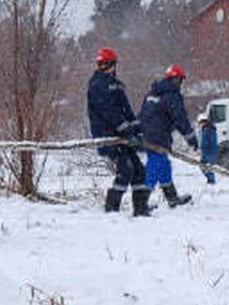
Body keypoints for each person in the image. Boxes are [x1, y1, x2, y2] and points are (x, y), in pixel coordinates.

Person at [86, 47, 151, 216]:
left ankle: (141, 208)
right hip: (108, 137)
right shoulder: (97, 85)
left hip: (123, 137)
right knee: (126, 169)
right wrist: (126, 131)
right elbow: (109, 112)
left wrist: (138, 131)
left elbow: (126, 110)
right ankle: (112, 209)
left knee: (139, 170)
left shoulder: (116, 85)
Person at [138, 64, 198, 207]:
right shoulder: (172, 96)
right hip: (158, 136)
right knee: (156, 165)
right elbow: (180, 118)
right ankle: (141, 201)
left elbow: (142, 114)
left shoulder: (152, 93)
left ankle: (172, 197)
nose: (180, 84)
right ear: (176, 80)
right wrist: (190, 137)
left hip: (147, 135)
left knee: (164, 166)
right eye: (179, 80)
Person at [197, 113, 218, 184]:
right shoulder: (207, 129)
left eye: (200, 123)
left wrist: (203, 147)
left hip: (209, 151)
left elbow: (207, 141)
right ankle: (210, 179)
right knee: (203, 166)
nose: (200, 125)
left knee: (208, 167)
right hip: (206, 151)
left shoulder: (208, 129)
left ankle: (211, 180)